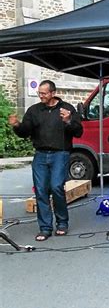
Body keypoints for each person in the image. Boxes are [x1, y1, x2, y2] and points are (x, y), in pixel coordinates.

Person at [8, 80, 83, 241]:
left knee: (56, 187)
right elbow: (24, 132)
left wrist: (68, 121)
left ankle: (62, 223)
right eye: (39, 93)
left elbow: (78, 132)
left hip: (60, 153)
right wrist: (16, 125)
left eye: (44, 93)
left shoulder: (67, 109)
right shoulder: (34, 110)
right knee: (41, 190)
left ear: (53, 93)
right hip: (40, 154)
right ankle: (45, 227)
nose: (40, 95)